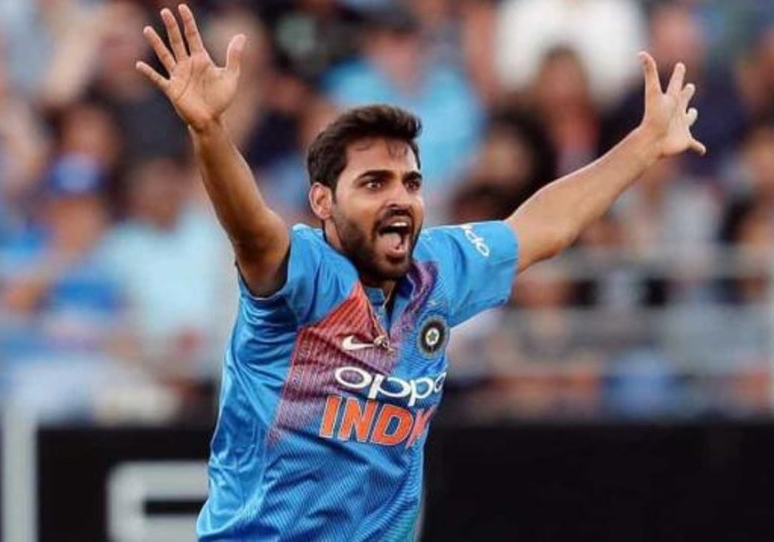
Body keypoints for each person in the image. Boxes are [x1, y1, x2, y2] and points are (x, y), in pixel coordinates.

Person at [136, 4, 705, 540]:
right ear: (322, 201)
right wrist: (209, 131)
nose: (399, 198)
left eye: (410, 183)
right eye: (373, 183)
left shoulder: (437, 270)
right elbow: (251, 228)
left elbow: (545, 227)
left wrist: (645, 144)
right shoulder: (306, 275)